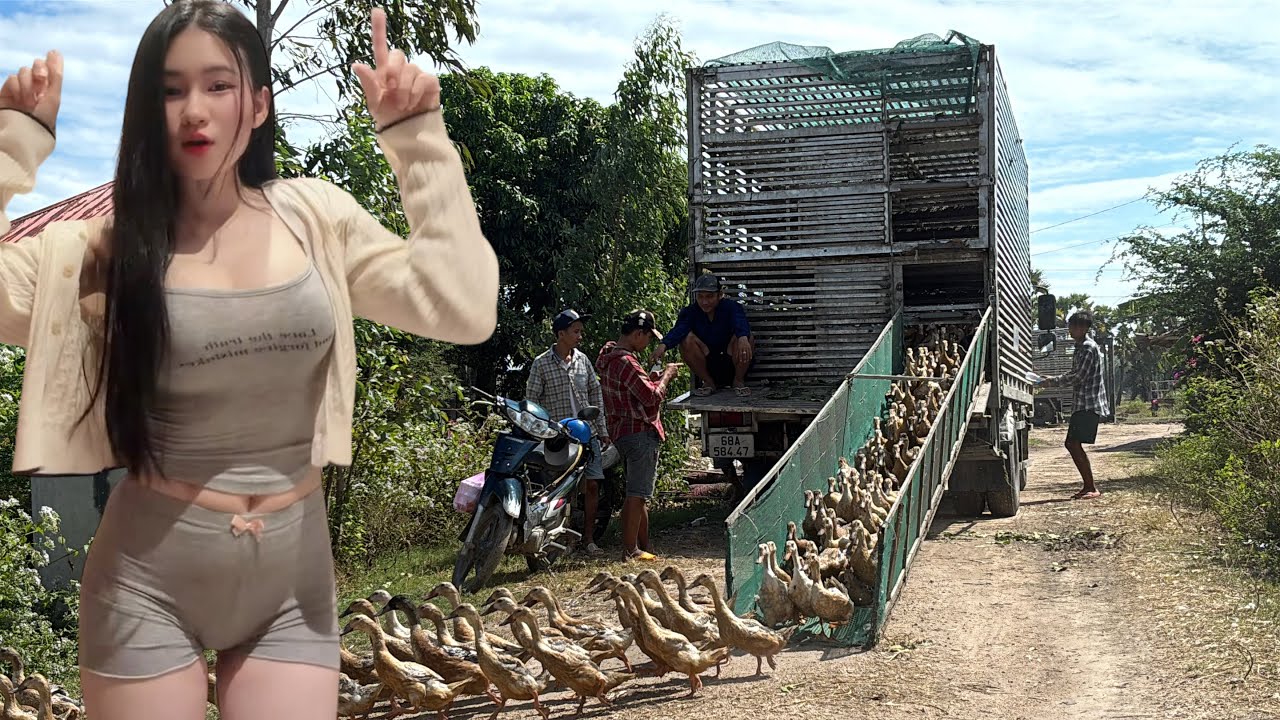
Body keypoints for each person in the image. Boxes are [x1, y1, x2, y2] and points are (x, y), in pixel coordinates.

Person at [0, 3, 498, 718]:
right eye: (170, 91)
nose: (194, 111)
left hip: (291, 585)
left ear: (259, 103)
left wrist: (417, 139)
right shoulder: (100, 256)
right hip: (145, 582)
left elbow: (462, 304)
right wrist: (14, 142)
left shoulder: (314, 218)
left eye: (218, 86)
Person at [596, 310, 679, 562]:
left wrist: (650, 380)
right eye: (648, 337)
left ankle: (643, 546)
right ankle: (630, 550)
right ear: (638, 334)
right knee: (637, 494)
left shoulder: (608, 355)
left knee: (639, 493)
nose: (649, 344)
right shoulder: (627, 362)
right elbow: (651, 398)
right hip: (639, 431)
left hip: (621, 431)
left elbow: (635, 391)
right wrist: (666, 376)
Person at [525, 308, 610, 556]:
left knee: (592, 485)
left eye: (581, 331)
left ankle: (589, 539)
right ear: (560, 334)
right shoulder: (541, 364)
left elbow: (596, 394)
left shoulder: (583, 360)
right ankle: (557, 539)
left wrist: (602, 429)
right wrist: (541, 430)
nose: (580, 336)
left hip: (588, 433)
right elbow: (531, 401)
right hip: (558, 437)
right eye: (576, 331)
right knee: (559, 488)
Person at [1043, 311, 1110, 500]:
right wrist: (1052, 379)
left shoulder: (1088, 348)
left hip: (1089, 403)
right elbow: (1075, 372)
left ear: (1085, 328)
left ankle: (1091, 487)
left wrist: (1052, 381)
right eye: (1071, 326)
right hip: (1082, 402)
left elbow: (1079, 376)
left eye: (1075, 326)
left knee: (1072, 443)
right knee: (1073, 444)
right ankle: (1088, 486)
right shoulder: (1080, 347)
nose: (1072, 330)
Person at [651, 273, 754, 397]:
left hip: (732, 360)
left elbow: (740, 322)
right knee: (686, 339)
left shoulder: (731, 307)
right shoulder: (690, 312)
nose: (705, 302)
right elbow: (679, 329)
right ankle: (708, 382)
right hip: (708, 363)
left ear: (720, 295)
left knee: (746, 337)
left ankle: (738, 380)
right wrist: (663, 345)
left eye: (709, 296)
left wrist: (743, 337)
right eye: (700, 297)